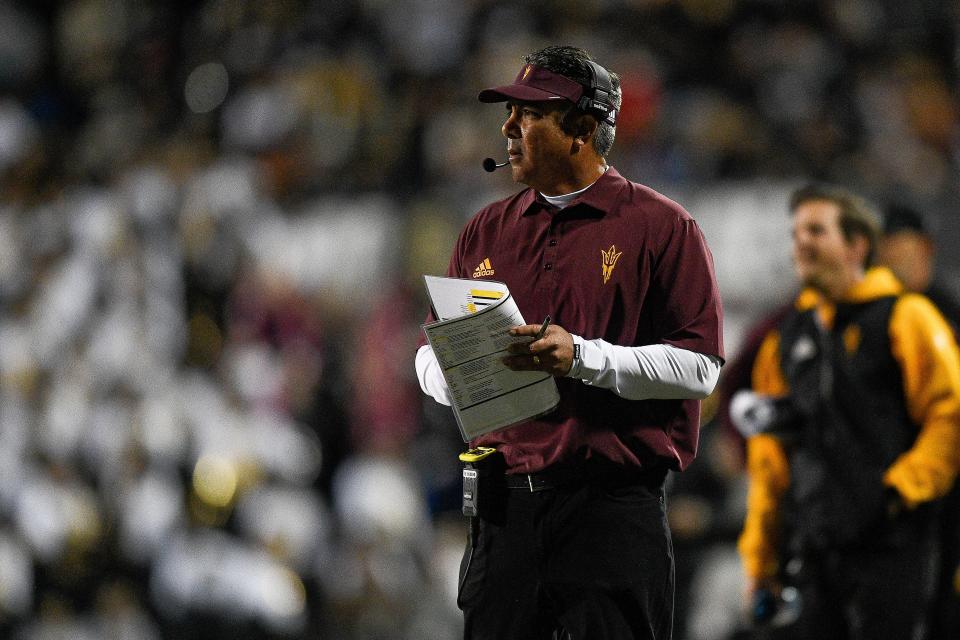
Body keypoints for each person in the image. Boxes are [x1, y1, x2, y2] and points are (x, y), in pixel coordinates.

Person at [415, 45, 724, 639]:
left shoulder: (662, 227)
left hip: (610, 510)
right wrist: (461, 372)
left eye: (527, 115)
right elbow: (428, 354)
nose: (507, 128)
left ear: (582, 129)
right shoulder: (484, 229)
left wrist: (583, 357)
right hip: (504, 513)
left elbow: (700, 368)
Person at [736, 184, 960, 639]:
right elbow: (770, 460)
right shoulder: (785, 338)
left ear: (857, 246)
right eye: (797, 232)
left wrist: (900, 491)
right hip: (815, 550)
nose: (801, 243)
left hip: (891, 547)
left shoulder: (907, 317)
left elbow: (949, 415)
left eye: (816, 231)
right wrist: (761, 557)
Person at [877, 204, 960, 640]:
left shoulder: (948, 313)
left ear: (924, 250)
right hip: (895, 475)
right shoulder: (877, 319)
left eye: (904, 253)